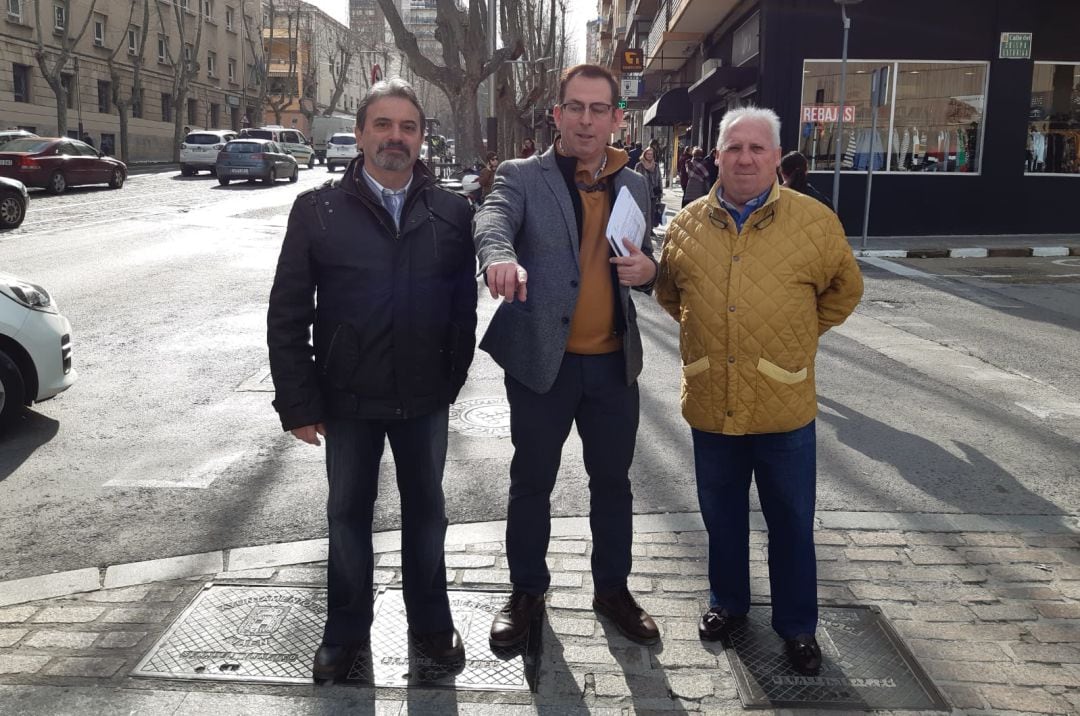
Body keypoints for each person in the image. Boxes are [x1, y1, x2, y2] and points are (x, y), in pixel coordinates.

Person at [267, 78, 478, 682]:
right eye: (382, 125)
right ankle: (344, 633)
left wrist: (450, 377)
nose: (395, 137)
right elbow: (288, 312)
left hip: (424, 397)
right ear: (359, 136)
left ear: (421, 138)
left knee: (428, 513)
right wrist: (299, 401)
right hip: (347, 398)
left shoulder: (451, 211)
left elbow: (463, 307)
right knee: (346, 516)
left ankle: (432, 625)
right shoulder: (318, 210)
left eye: (407, 127)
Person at [655, 106, 863, 676]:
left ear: (777, 158)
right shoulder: (687, 223)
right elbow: (672, 296)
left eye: (757, 149)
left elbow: (845, 289)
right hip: (711, 400)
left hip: (783, 406)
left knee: (791, 522)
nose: (745, 158)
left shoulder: (815, 222)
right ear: (715, 155)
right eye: (734, 148)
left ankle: (797, 627)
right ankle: (728, 603)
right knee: (721, 516)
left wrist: (797, 335)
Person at [475, 63, 661, 648]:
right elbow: (492, 218)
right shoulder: (522, 175)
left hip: (612, 365)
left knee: (613, 483)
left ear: (615, 117)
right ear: (557, 114)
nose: (586, 119)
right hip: (542, 362)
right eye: (574, 107)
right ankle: (527, 591)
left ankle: (613, 590)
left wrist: (649, 270)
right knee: (532, 481)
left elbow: (645, 254)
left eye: (598, 109)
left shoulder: (633, 183)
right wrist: (498, 256)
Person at [634, 146, 663, 226]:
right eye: (648, 154)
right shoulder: (639, 165)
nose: (650, 156)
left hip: (653, 192)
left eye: (651, 154)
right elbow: (635, 179)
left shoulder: (656, 166)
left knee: (652, 211)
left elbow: (659, 179)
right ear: (644, 154)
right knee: (643, 212)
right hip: (642, 192)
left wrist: (660, 192)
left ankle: (650, 229)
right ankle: (643, 229)